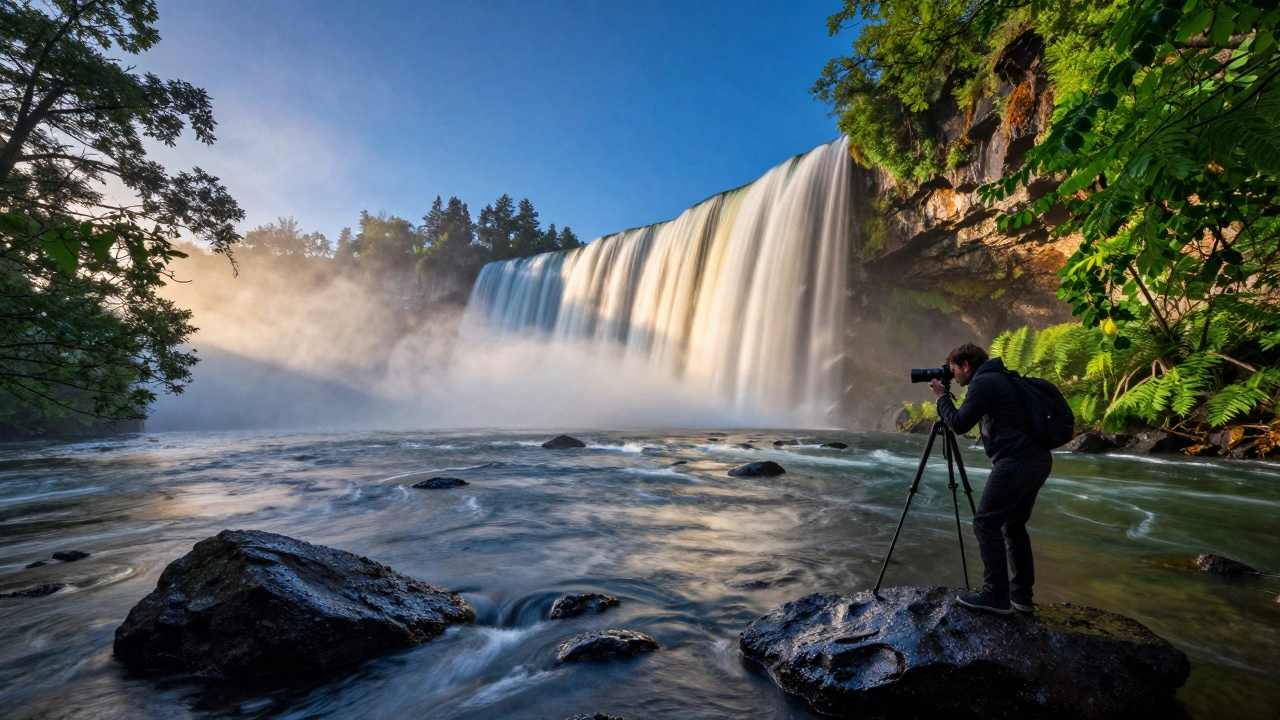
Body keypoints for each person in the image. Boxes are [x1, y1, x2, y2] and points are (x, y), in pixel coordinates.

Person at [928, 342, 1052, 615]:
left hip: (1016, 462)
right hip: (1037, 460)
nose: (954, 377)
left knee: (986, 523)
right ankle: (1021, 597)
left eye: (953, 370)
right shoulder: (1000, 378)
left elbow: (959, 424)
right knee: (1013, 525)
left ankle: (996, 596)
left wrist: (941, 399)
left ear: (966, 366)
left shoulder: (984, 383)